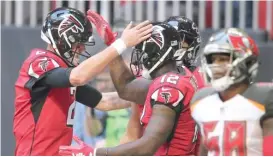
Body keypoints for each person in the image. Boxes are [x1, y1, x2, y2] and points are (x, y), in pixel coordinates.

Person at [13, 7, 152, 155]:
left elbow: (105, 102)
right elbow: (78, 76)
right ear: (62, 40)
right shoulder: (39, 61)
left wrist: (150, 93)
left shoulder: (61, 73)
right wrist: (121, 44)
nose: (82, 48)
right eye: (78, 43)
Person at [59, 23, 199, 156]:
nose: (140, 57)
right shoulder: (178, 75)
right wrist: (113, 45)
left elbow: (148, 145)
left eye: (142, 51)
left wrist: (94, 153)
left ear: (156, 52)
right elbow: (125, 88)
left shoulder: (168, 87)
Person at [190, 28, 273, 156]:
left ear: (247, 62)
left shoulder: (263, 99)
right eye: (213, 60)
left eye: (223, 59)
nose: (216, 66)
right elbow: (206, 148)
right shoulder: (200, 101)